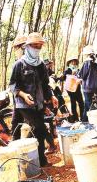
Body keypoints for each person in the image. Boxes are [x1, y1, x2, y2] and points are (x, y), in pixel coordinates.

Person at [9, 32, 57, 167]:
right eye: (34, 46)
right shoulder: (19, 64)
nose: (37, 49)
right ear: (27, 47)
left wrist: (51, 97)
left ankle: (40, 160)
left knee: (39, 131)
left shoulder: (41, 65)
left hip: (38, 104)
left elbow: (45, 84)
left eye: (39, 46)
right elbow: (13, 85)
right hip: (24, 105)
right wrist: (23, 95)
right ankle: (30, 159)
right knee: (38, 127)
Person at [10, 35, 27, 140]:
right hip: (19, 99)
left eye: (18, 48)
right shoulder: (17, 63)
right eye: (16, 48)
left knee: (35, 124)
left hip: (28, 99)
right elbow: (13, 84)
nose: (16, 50)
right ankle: (15, 142)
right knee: (16, 121)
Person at [62, 55, 86, 122]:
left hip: (77, 89)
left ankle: (82, 117)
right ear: (69, 63)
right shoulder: (67, 70)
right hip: (70, 89)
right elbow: (63, 78)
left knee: (81, 103)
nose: (73, 63)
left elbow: (80, 77)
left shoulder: (78, 70)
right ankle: (75, 118)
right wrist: (71, 75)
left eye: (75, 62)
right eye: (72, 62)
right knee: (73, 103)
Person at [79, 45, 97, 114]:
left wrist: (77, 74)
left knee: (89, 104)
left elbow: (82, 75)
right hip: (94, 86)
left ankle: (96, 117)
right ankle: (84, 119)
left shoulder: (86, 63)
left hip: (87, 87)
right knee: (86, 103)